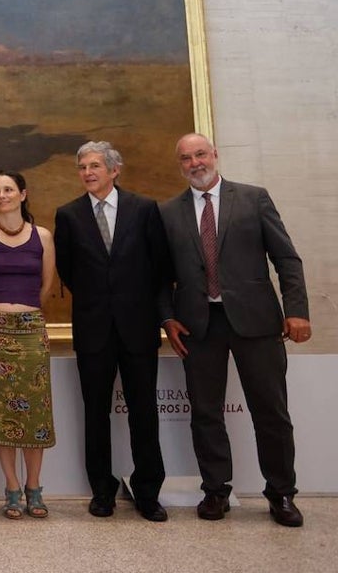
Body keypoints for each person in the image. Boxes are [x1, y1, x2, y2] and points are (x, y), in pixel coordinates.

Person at [158, 133, 310, 528]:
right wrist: (166, 317)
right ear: (180, 165)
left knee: (271, 412)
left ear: (215, 155)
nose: (195, 163)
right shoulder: (168, 212)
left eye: (200, 155)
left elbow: (286, 258)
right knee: (205, 413)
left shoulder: (253, 198)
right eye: (186, 158)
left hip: (257, 323)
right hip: (198, 326)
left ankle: (281, 494)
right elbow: (158, 276)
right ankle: (215, 490)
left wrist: (297, 311)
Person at [54, 141, 170, 521]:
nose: (88, 172)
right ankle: (102, 491)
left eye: (95, 166)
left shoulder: (144, 209)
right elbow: (68, 272)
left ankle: (148, 491)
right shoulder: (68, 215)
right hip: (93, 329)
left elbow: (160, 268)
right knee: (96, 413)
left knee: (144, 412)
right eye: (82, 167)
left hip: (138, 328)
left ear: (115, 170)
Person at [0, 170, 56, 520]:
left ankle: (35, 488)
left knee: (35, 411)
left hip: (31, 330)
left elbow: (47, 284)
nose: (1, 195)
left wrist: (26, 312)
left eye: (8, 190)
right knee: (0, 412)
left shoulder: (43, 236)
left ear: (22, 194)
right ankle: (12, 487)